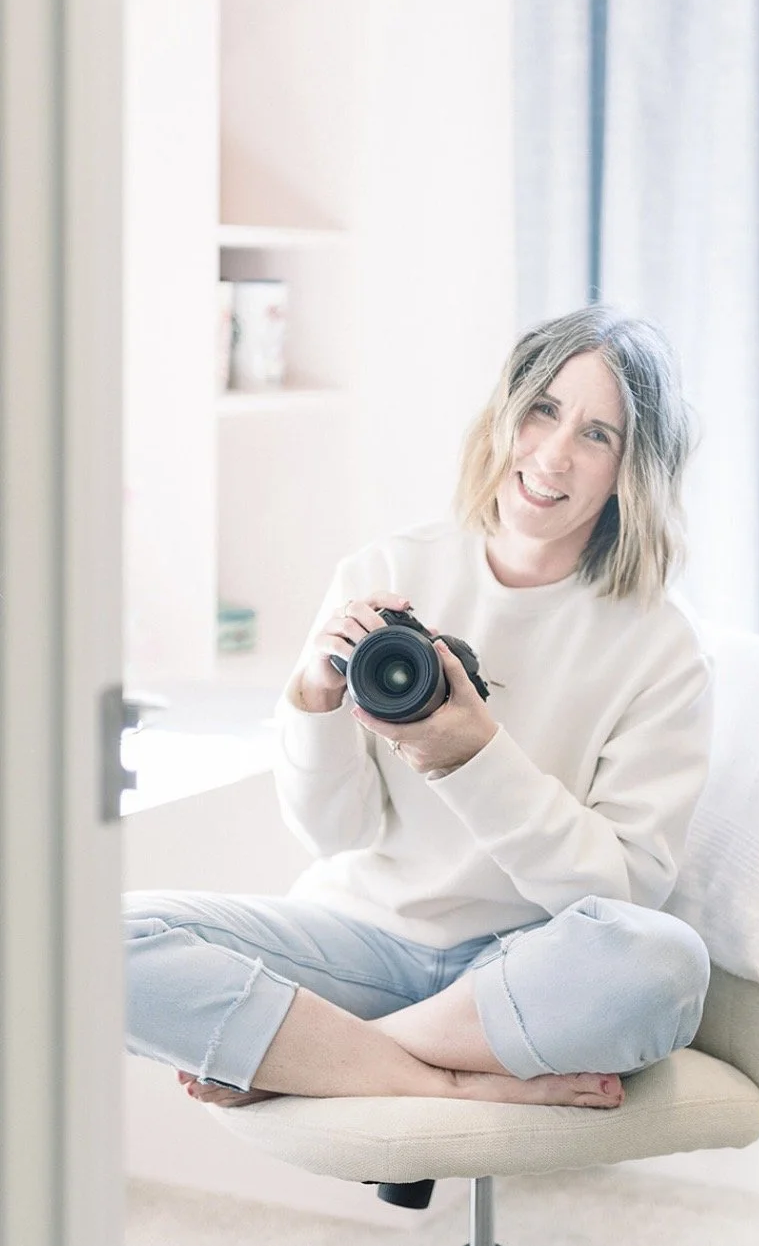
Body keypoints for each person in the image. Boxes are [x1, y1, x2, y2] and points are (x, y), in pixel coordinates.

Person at [124, 308, 714, 1113]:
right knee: (98, 936)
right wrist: (311, 701)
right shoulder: (389, 570)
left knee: (665, 967)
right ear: (505, 415)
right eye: (542, 409)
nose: (552, 453)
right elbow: (337, 834)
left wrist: (472, 756)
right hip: (358, 941)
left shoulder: (660, 646)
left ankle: (318, 1056)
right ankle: (443, 1077)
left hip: (517, 973)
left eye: (597, 435)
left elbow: (618, 896)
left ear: (631, 470)